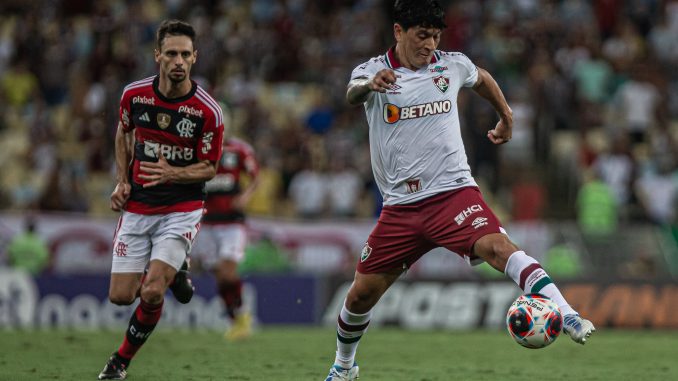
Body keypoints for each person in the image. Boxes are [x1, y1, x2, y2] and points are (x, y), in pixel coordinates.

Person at [324, 2, 595, 380]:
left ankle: (565, 312)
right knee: (359, 296)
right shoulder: (372, 71)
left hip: (453, 193)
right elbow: (351, 93)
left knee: (500, 248)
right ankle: (343, 367)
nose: (430, 45)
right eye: (422, 35)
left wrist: (506, 114)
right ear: (399, 31)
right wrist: (370, 86)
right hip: (401, 207)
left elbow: (481, 77)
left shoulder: (451, 64)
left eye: (435, 36)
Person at [98, 19, 224, 380]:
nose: (178, 61)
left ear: (195, 57)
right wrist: (122, 180)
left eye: (185, 54)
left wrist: (172, 173)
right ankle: (175, 268)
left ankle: (119, 363)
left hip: (182, 209)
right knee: (121, 297)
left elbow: (209, 167)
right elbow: (123, 133)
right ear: (158, 56)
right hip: (138, 206)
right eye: (171, 53)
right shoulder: (134, 95)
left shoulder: (206, 111)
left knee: (152, 292)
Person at [199, 109, 260, 341]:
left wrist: (245, 197)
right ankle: (237, 319)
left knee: (227, 273)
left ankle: (242, 316)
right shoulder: (199, 148)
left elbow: (255, 177)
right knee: (219, 275)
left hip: (232, 223)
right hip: (205, 222)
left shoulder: (239, 149)